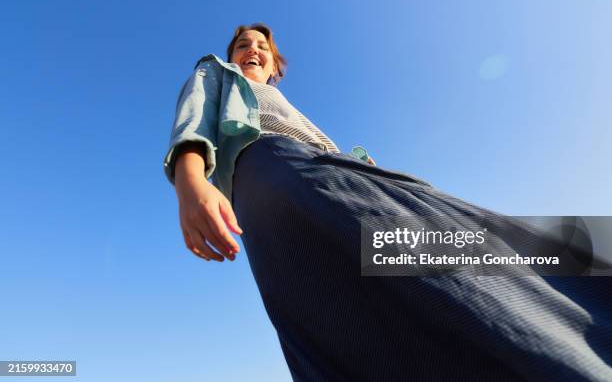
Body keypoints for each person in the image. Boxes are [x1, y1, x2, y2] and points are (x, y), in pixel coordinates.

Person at [164, 23, 612, 381]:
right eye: (244, 44)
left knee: (435, 256)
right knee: (375, 291)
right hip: (274, 173)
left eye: (262, 46)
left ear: (275, 63)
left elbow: (319, 149)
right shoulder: (217, 73)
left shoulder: (279, 100)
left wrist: (356, 165)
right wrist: (190, 182)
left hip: (323, 172)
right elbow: (196, 116)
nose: (252, 51)